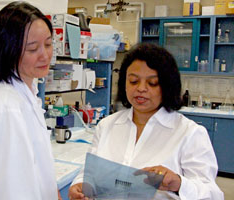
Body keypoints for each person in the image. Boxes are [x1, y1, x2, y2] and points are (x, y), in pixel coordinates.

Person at [68, 43, 224, 199]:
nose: (141, 88)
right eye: (134, 81)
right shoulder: (106, 126)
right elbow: (89, 173)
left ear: (167, 86)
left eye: (152, 83)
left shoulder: (190, 134)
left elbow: (213, 194)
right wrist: (80, 185)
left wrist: (178, 183)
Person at [0, 2, 59, 199]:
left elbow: (36, 168)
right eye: (32, 49)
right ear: (9, 50)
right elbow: (12, 192)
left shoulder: (26, 93)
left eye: (48, 44)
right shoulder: (7, 108)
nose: (45, 55)